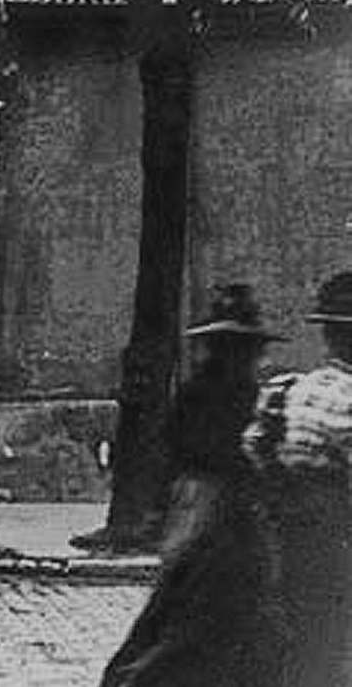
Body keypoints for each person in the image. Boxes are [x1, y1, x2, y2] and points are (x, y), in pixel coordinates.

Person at [99, 285, 287, 687]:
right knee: (208, 613)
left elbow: (170, 450)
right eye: (243, 348)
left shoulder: (194, 392)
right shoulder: (238, 395)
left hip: (193, 507)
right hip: (222, 511)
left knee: (179, 600)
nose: (249, 357)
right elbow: (222, 454)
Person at [239, 273, 352, 687]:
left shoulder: (289, 388)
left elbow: (253, 447)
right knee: (329, 641)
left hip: (281, 531)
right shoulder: (347, 398)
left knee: (295, 636)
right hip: (333, 539)